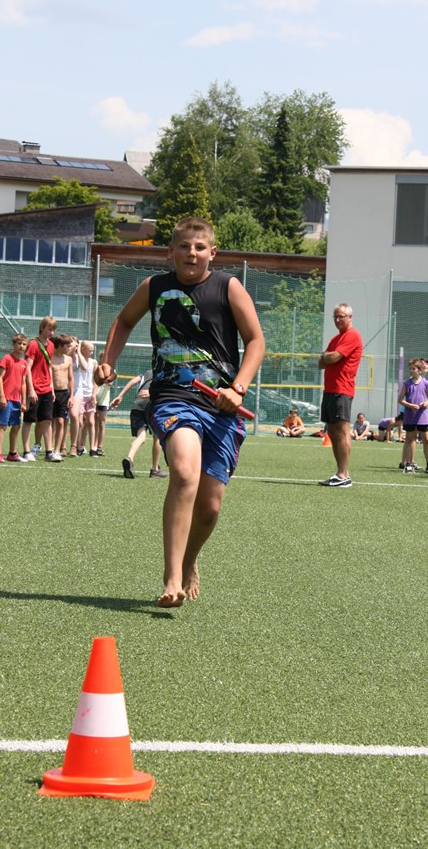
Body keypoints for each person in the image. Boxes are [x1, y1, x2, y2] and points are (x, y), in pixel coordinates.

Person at [98, 216, 265, 608]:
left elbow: (256, 340)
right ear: (170, 251)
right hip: (173, 397)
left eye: (200, 247)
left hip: (221, 406)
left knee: (209, 508)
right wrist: (108, 361)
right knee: (185, 471)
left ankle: (190, 560)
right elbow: (123, 321)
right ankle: (171, 578)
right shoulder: (154, 287)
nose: (192, 253)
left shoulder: (228, 286)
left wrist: (238, 389)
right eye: (184, 247)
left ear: (212, 252)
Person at [317, 303, 363, 487]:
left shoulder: (352, 335)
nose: (337, 320)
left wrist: (327, 356)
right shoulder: (336, 339)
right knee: (333, 431)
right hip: (330, 389)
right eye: (335, 316)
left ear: (350, 317)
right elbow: (321, 363)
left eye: (341, 316)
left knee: (342, 431)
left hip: (342, 389)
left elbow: (332, 357)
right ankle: (341, 473)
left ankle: (343, 475)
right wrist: (326, 356)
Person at [111, 369, 167, 476]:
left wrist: (120, 396)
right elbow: (165, 389)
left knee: (141, 437)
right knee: (157, 437)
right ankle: (155, 469)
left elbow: (133, 381)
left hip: (137, 405)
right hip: (151, 406)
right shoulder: (164, 372)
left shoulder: (147, 372)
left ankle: (129, 457)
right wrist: (152, 393)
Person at [21, 315, 61, 462]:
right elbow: (28, 368)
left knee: (47, 420)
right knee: (29, 420)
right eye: (49, 329)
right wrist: (31, 389)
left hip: (46, 388)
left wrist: (51, 387)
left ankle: (49, 451)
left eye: (53, 330)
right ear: (42, 328)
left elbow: (49, 367)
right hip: (34, 388)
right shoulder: (33, 344)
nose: (52, 332)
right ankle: (26, 451)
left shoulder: (51, 345)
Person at [0, 334, 29, 463]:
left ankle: (12, 453)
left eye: (24, 344)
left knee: (16, 426)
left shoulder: (24, 363)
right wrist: (2, 396)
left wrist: (23, 401)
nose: (21, 346)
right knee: (3, 425)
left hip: (16, 400)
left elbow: (23, 383)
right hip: (6, 399)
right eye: (19, 343)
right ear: (14, 344)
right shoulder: (6, 358)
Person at [398, 358, 428, 473]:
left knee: (426, 440)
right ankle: (409, 464)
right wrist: (410, 405)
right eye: (411, 368)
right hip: (410, 416)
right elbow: (400, 399)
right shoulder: (407, 383)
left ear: (420, 370)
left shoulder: (426, 383)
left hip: (422, 417)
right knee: (410, 439)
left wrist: (425, 403)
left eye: (414, 369)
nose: (411, 370)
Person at [50, 334, 74, 457]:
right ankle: (49, 448)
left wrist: (71, 396)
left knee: (60, 421)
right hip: (51, 393)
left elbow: (71, 378)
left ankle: (57, 450)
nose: (69, 348)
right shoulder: (50, 358)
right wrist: (51, 391)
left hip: (64, 393)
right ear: (60, 345)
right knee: (49, 422)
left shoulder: (69, 359)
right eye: (67, 346)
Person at [73, 340, 97, 456]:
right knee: (80, 422)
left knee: (91, 422)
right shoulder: (77, 360)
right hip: (80, 394)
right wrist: (78, 353)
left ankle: (93, 448)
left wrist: (94, 395)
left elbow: (96, 380)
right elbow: (83, 367)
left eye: (93, 350)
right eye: (90, 350)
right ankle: (79, 446)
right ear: (82, 349)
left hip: (89, 395)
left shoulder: (94, 362)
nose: (92, 353)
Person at [93, 351, 115, 456]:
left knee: (101, 422)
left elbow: (110, 382)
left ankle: (99, 446)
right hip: (94, 397)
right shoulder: (96, 368)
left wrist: (104, 378)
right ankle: (90, 445)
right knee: (92, 422)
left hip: (104, 400)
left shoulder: (110, 370)